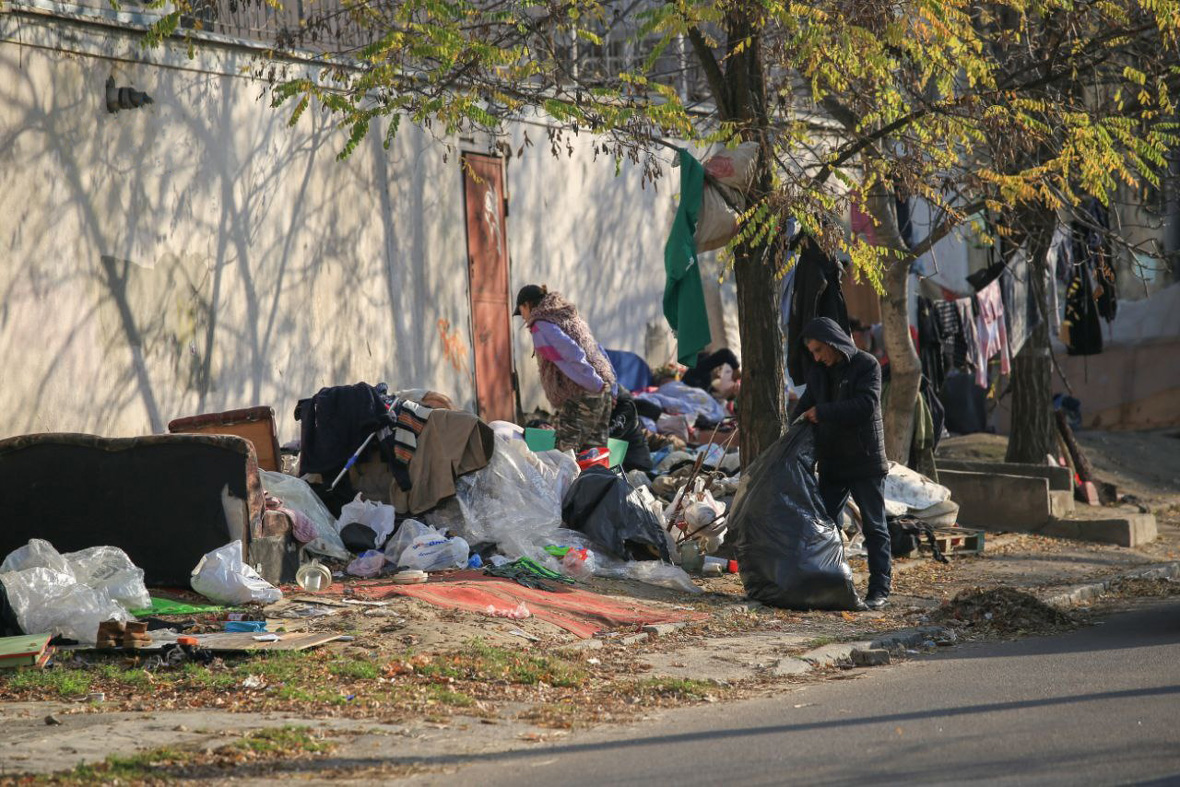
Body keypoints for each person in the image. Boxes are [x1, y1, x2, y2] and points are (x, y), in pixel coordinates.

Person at [791, 316, 891, 610]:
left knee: (874, 527)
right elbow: (805, 406)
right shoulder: (819, 372)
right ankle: (832, 585)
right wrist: (790, 431)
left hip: (865, 459)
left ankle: (880, 589)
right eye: (812, 353)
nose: (816, 357)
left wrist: (822, 412)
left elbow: (865, 405)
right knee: (825, 525)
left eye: (819, 350)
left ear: (832, 343)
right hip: (833, 461)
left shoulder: (866, 365)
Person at [514, 284, 617, 453]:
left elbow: (572, 354)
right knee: (593, 452)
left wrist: (595, 384)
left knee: (564, 452)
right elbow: (596, 350)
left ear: (527, 305)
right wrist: (609, 387)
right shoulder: (567, 317)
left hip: (583, 393)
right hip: (600, 389)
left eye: (521, 311)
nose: (523, 318)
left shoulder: (541, 325)